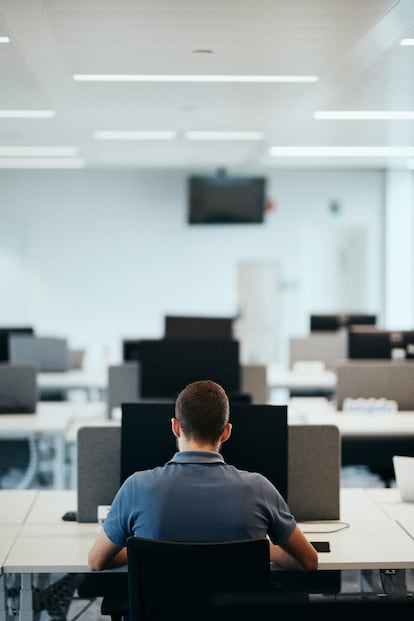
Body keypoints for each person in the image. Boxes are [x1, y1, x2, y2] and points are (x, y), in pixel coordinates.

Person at [88, 379, 318, 573]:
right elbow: (308, 561)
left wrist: (142, 551)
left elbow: (97, 561)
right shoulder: (260, 489)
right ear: (226, 432)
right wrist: (262, 548)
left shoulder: (136, 488)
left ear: (175, 428)